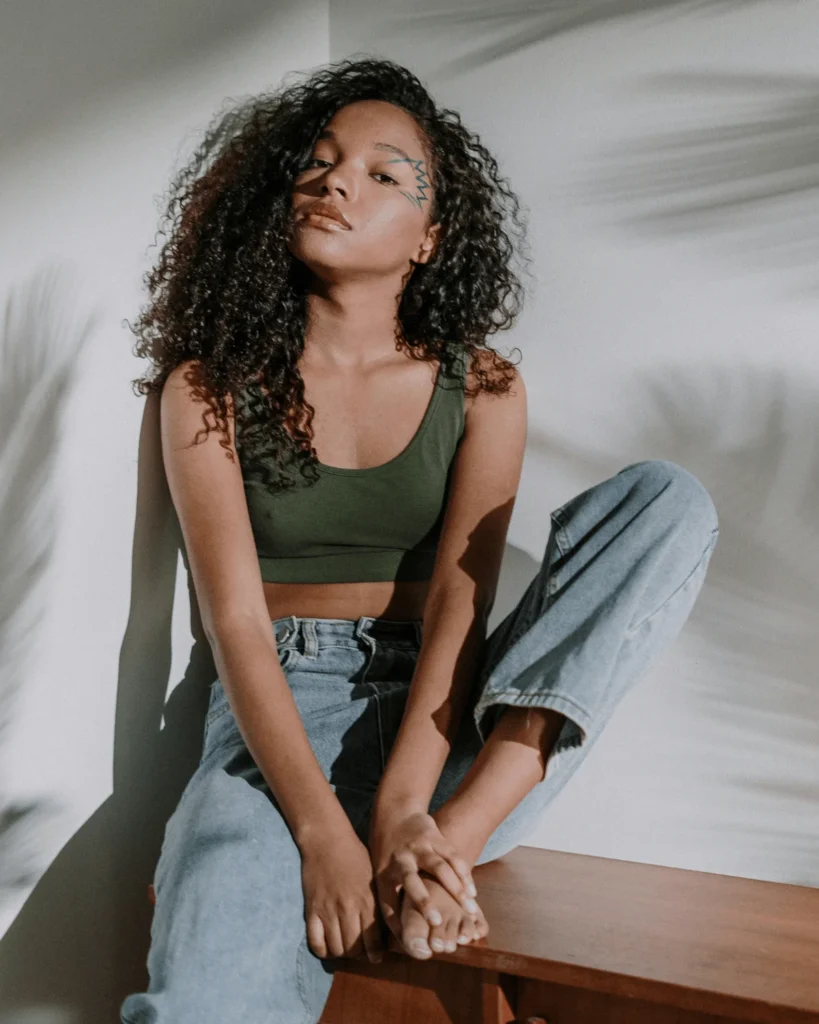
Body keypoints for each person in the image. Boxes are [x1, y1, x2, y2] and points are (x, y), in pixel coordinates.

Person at [120, 56, 720, 1024]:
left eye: (384, 173)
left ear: (430, 238)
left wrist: (406, 815)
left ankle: (441, 846)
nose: (335, 180)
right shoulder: (207, 386)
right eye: (317, 162)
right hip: (274, 723)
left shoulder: (482, 386)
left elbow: (458, 605)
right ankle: (424, 864)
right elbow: (230, 617)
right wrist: (321, 829)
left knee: (667, 501)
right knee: (200, 1001)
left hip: (459, 728)